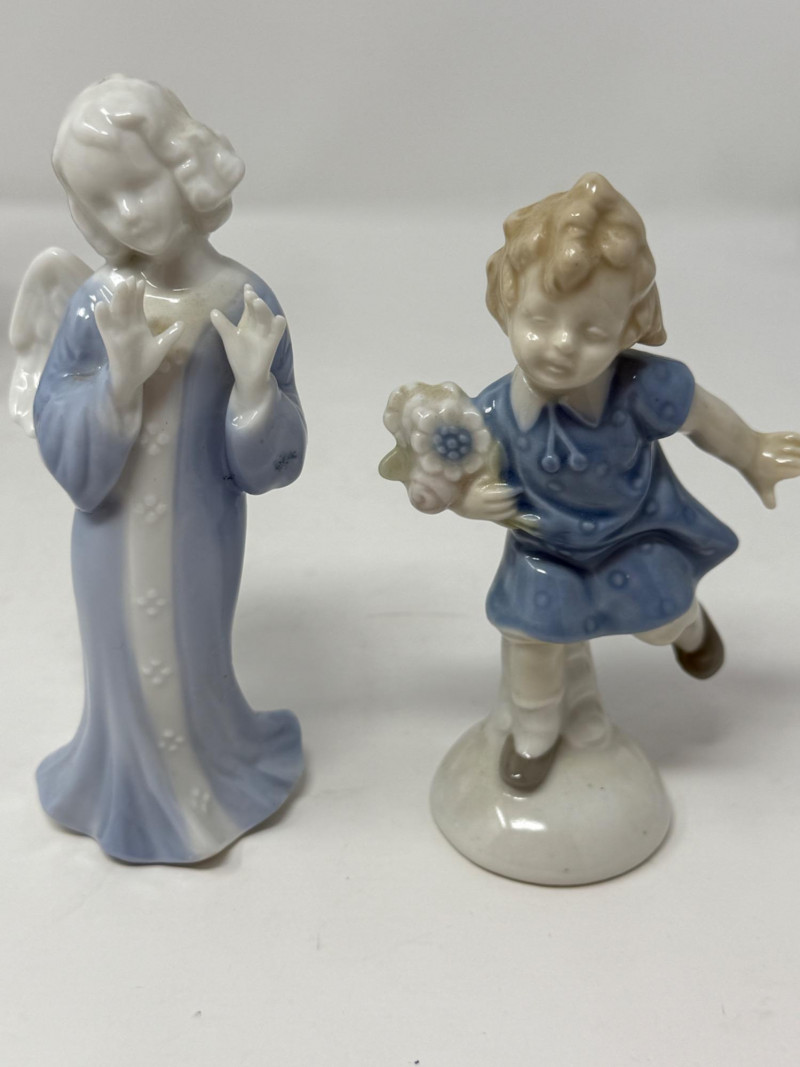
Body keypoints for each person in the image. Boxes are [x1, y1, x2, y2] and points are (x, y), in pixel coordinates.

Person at [30, 75, 306, 862]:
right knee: (119, 660)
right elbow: (55, 418)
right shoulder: (96, 305)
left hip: (201, 532)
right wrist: (116, 386)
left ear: (184, 168)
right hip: (109, 535)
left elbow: (276, 455)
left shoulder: (242, 298)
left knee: (195, 649)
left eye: (136, 186)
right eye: (101, 201)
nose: (123, 215)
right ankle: (119, 784)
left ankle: (216, 765)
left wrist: (255, 393)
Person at [452, 173, 800, 790]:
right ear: (507, 302)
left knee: (660, 616)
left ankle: (690, 626)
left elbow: (704, 418)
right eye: (539, 320)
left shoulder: (640, 389)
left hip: (635, 531)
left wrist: (752, 452)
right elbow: (459, 473)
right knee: (529, 637)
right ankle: (534, 731)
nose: (561, 346)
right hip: (544, 551)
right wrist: (470, 500)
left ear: (629, 327)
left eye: (592, 332)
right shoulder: (492, 415)